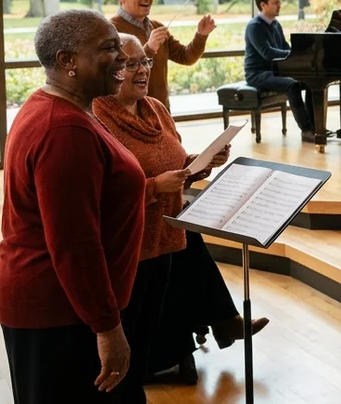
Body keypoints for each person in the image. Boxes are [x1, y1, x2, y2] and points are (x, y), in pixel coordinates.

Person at [94, 35, 266, 385]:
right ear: (111, 70)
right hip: (132, 237)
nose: (142, 70)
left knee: (180, 273)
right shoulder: (98, 116)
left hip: (168, 226)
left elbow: (178, 163)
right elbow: (102, 192)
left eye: (145, 61)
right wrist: (155, 186)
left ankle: (214, 327)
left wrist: (201, 163)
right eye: (131, 64)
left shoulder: (155, 108)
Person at [0, 10, 146, 402]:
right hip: (61, 313)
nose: (124, 58)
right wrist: (107, 327)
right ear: (67, 61)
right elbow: (75, 244)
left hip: (68, 307)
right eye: (109, 48)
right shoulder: (63, 130)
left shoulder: (60, 108)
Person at [112, 0, 216, 108]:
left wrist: (201, 35)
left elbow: (186, 57)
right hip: (131, 112)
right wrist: (148, 49)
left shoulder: (156, 27)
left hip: (161, 109)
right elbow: (115, 71)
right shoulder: (112, 29)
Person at [244, 0, 315, 139]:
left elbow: (284, 47)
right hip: (257, 74)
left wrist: (298, 56)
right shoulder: (254, 26)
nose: (279, 5)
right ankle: (306, 130)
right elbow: (267, 53)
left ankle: (316, 126)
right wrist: (295, 54)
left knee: (310, 82)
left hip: (275, 71)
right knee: (292, 84)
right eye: (275, 2)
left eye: (279, 2)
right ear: (263, 5)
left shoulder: (276, 24)